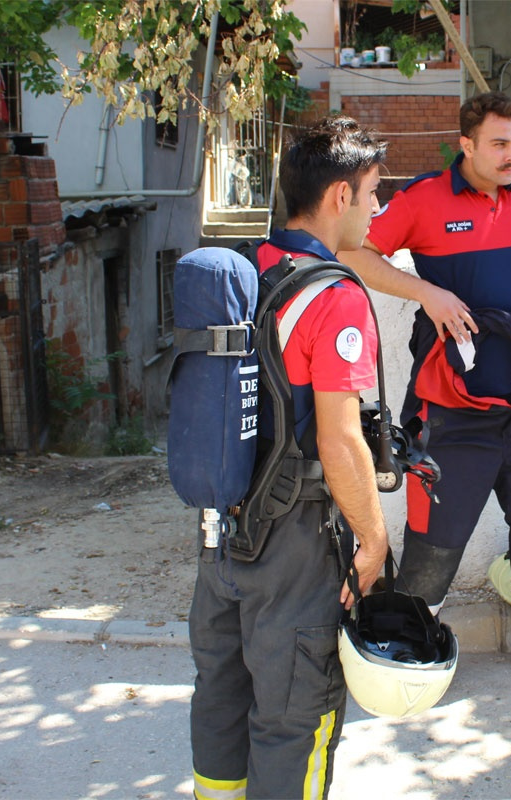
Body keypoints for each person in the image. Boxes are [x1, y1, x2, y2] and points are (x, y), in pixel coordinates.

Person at [337, 91, 511, 674]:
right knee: (435, 541)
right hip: (451, 409)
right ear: (467, 145)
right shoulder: (425, 198)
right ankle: (405, 649)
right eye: (500, 144)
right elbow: (356, 252)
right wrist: (425, 292)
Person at [188, 116, 389, 800]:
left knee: (221, 696)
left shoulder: (248, 273)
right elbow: (339, 440)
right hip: (295, 544)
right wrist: (373, 536)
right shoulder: (333, 296)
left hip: (223, 529)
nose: (376, 209)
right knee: (292, 719)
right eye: (371, 194)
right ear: (338, 197)